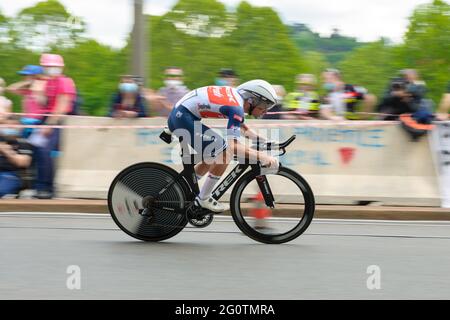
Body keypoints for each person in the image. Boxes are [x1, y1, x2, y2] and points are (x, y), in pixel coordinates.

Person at [167, 79, 280, 212]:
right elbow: (233, 147)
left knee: (213, 153)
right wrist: (263, 157)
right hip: (183, 118)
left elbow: (244, 129)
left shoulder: (236, 99)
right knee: (225, 152)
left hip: (181, 115)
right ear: (251, 101)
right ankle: (203, 199)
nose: (264, 112)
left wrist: (266, 141)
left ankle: (182, 189)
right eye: (262, 108)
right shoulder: (236, 107)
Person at [32, 53, 77, 199]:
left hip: (58, 119)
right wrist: (38, 90)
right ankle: (40, 185)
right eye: (48, 67)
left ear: (60, 67)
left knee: (45, 151)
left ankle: (47, 187)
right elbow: (42, 103)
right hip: (46, 118)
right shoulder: (48, 82)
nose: (51, 69)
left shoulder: (64, 81)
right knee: (38, 150)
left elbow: (62, 106)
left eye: (53, 67)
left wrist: (50, 124)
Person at [6, 65, 47, 138]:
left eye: (27, 75)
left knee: (9, 134)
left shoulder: (43, 87)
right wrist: (25, 83)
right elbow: (10, 89)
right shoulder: (28, 90)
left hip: (37, 121)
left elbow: (42, 102)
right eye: (24, 75)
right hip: (26, 120)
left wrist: (36, 85)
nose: (25, 77)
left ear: (36, 76)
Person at [0, 127, 33, 198]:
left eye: (13, 125)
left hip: (10, 175)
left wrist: (6, 151)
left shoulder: (23, 143)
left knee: (2, 191)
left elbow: (24, 162)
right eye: (6, 125)